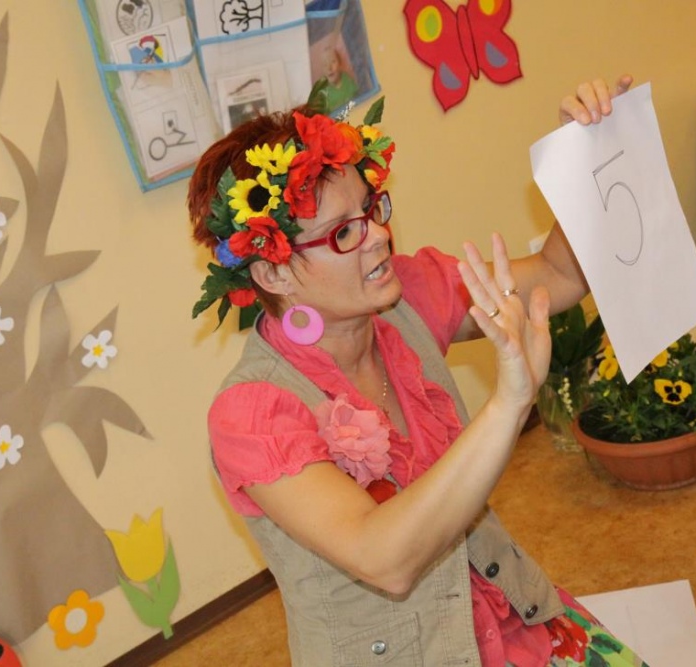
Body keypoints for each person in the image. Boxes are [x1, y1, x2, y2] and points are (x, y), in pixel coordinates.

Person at [187, 75, 643, 666]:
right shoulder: (253, 414)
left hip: (513, 623)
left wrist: (584, 155)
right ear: (272, 273)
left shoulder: (406, 298)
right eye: (343, 232)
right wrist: (508, 405)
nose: (379, 236)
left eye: (371, 209)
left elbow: (559, 277)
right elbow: (383, 558)